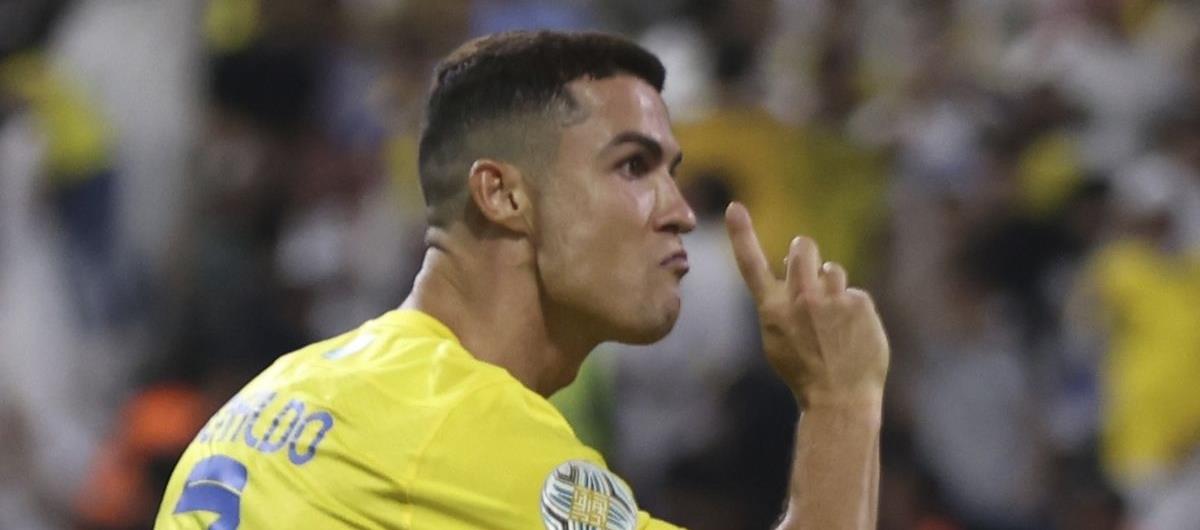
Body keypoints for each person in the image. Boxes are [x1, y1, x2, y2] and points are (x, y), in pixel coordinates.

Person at [154, 30, 890, 530]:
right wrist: (841, 399)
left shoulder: (276, 394)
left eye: (674, 173)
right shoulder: (463, 431)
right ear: (502, 194)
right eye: (633, 166)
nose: (678, 212)